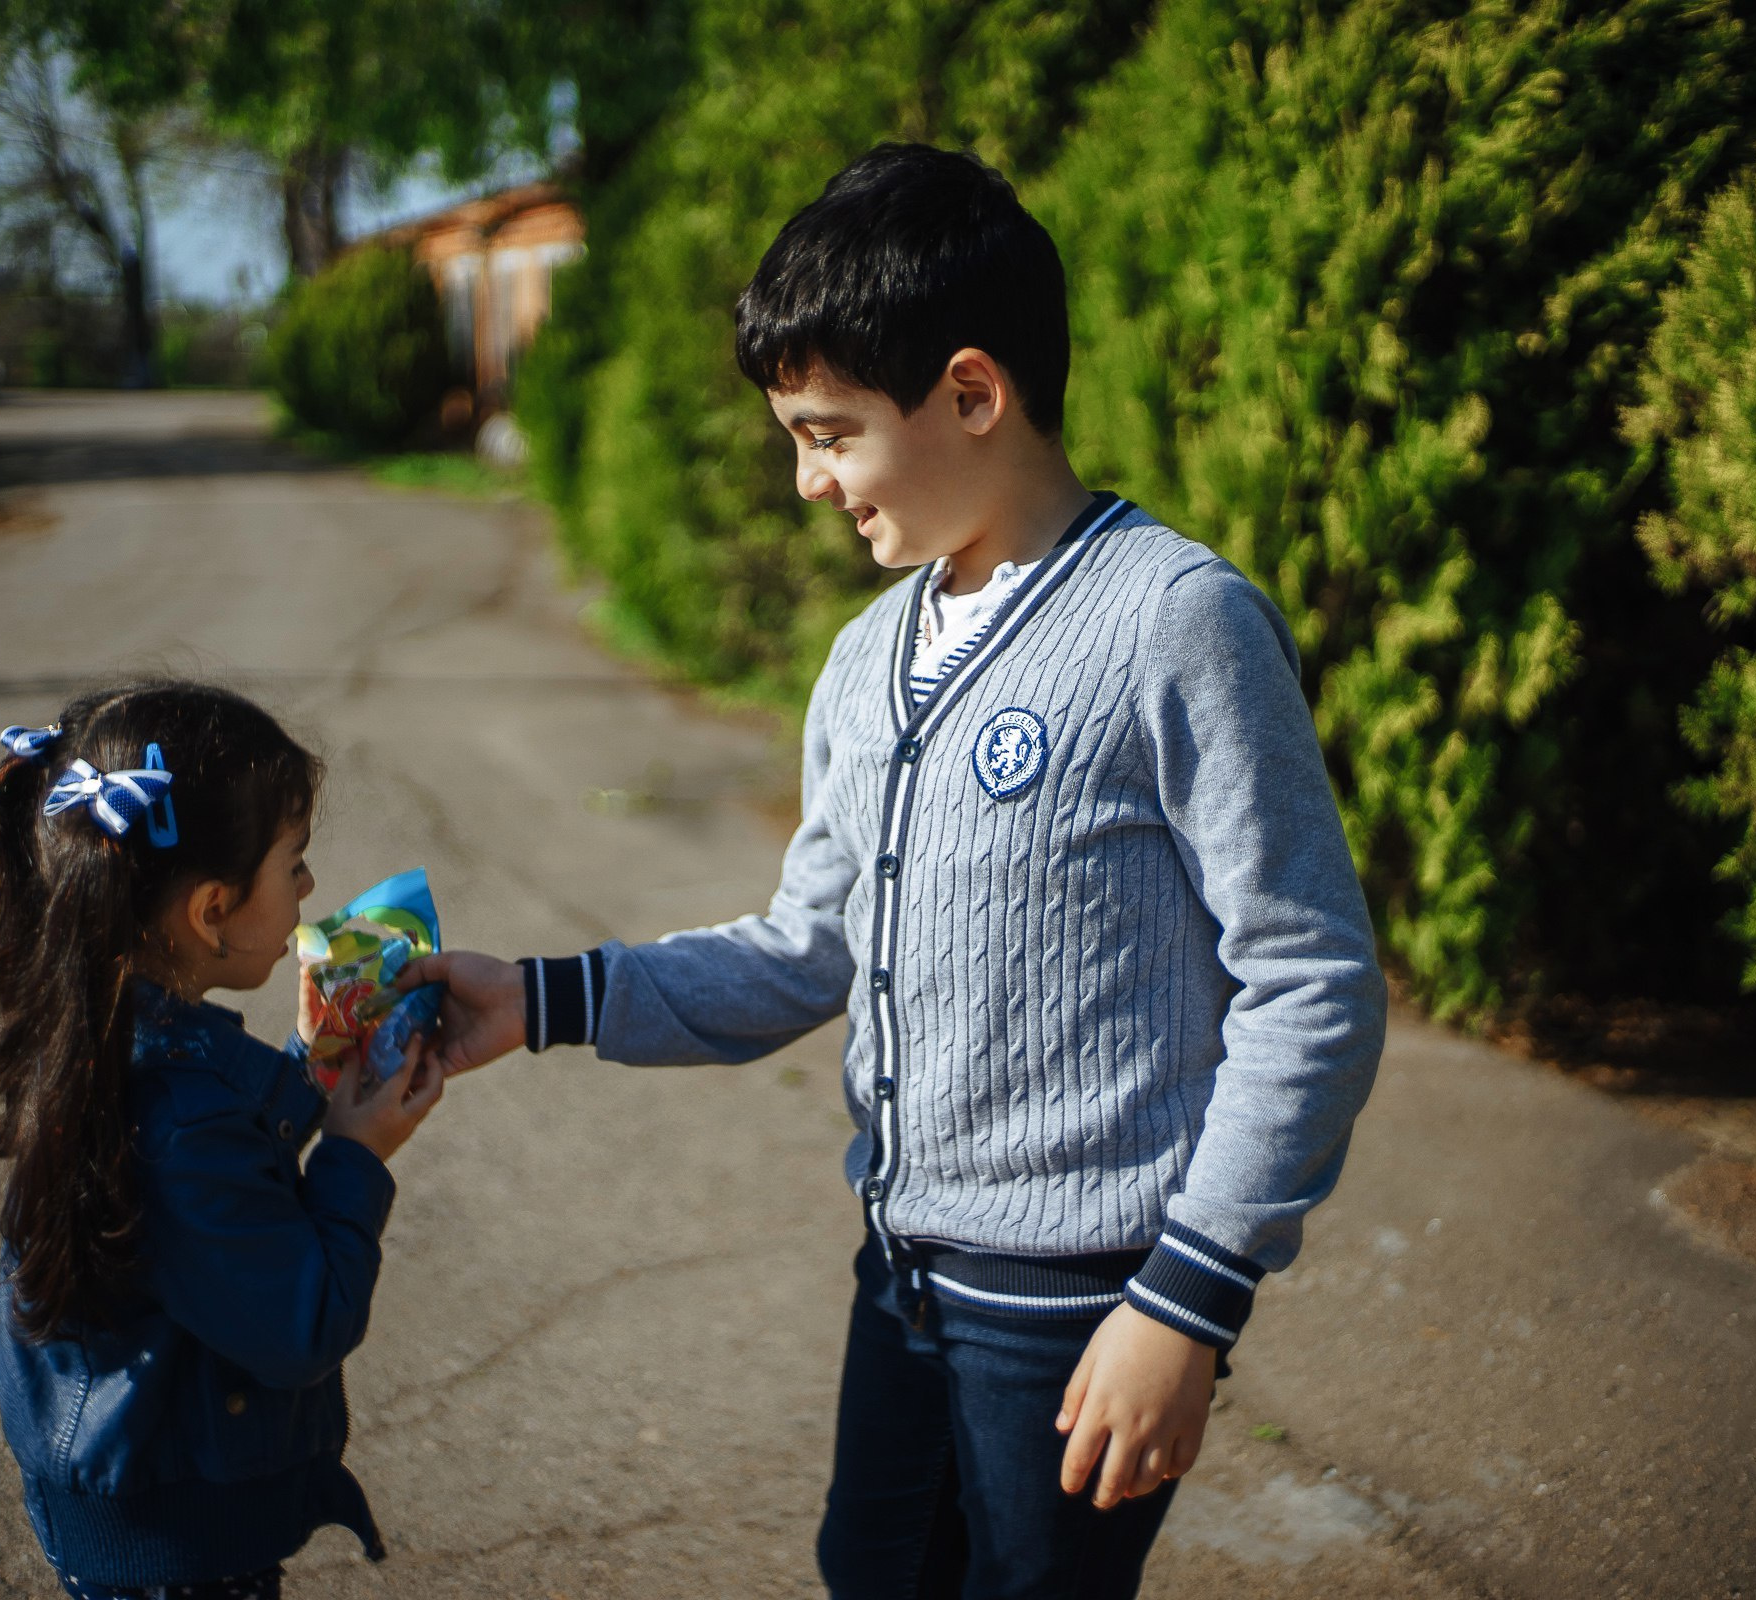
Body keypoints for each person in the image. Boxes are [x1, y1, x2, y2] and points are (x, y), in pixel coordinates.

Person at [412, 143, 1388, 1599]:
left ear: (973, 394)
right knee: (866, 1572)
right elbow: (810, 946)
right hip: (903, 1282)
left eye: (829, 435)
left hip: (1084, 1312)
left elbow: (1312, 981)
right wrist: (543, 999)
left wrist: (1186, 1302)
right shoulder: (868, 659)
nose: (807, 481)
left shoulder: (1175, 622)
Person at [0, 682, 448, 1600]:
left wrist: (315, 1071)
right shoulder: (178, 1116)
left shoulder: (101, 1026)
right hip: (179, 1544)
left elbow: (213, 1198)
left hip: (133, 1494)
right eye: (294, 864)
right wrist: (355, 1154)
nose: (308, 890)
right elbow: (302, 1324)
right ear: (212, 909)